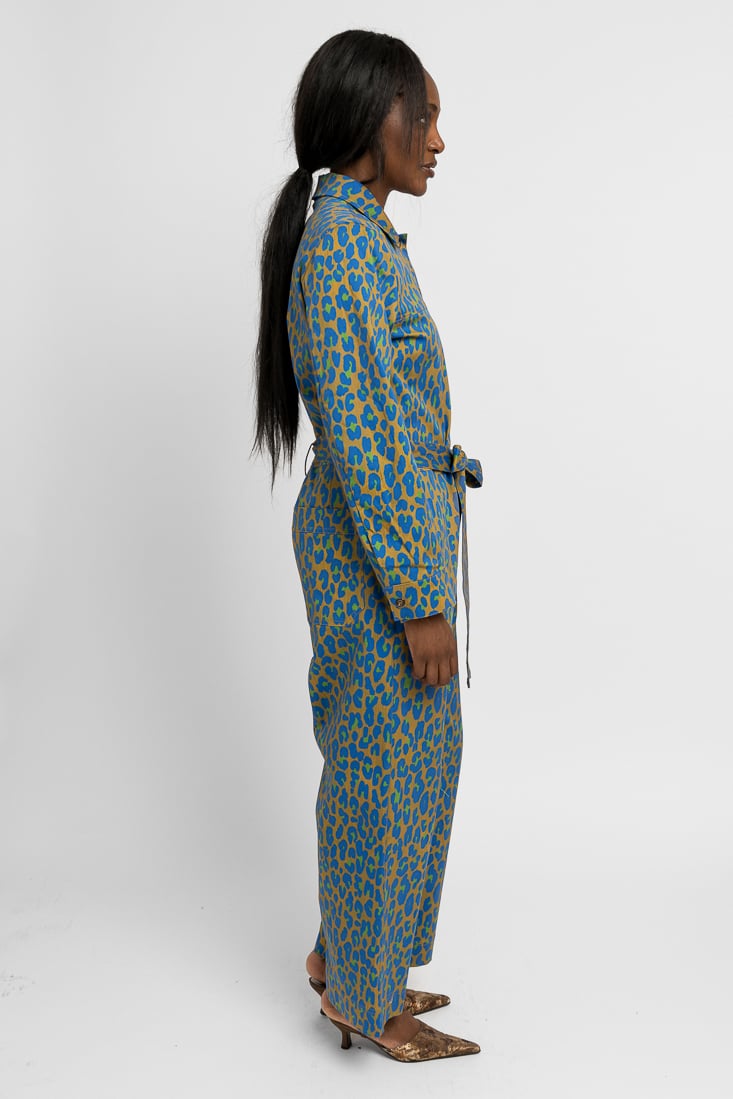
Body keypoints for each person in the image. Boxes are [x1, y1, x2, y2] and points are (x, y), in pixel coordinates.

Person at [253, 29, 483, 1063]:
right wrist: (419, 599)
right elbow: (364, 441)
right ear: (367, 120)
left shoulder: (360, 238)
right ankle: (362, 995)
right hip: (372, 553)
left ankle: (345, 956)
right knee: (379, 764)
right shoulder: (342, 251)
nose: (436, 139)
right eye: (421, 116)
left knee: (402, 755)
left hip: (388, 546)